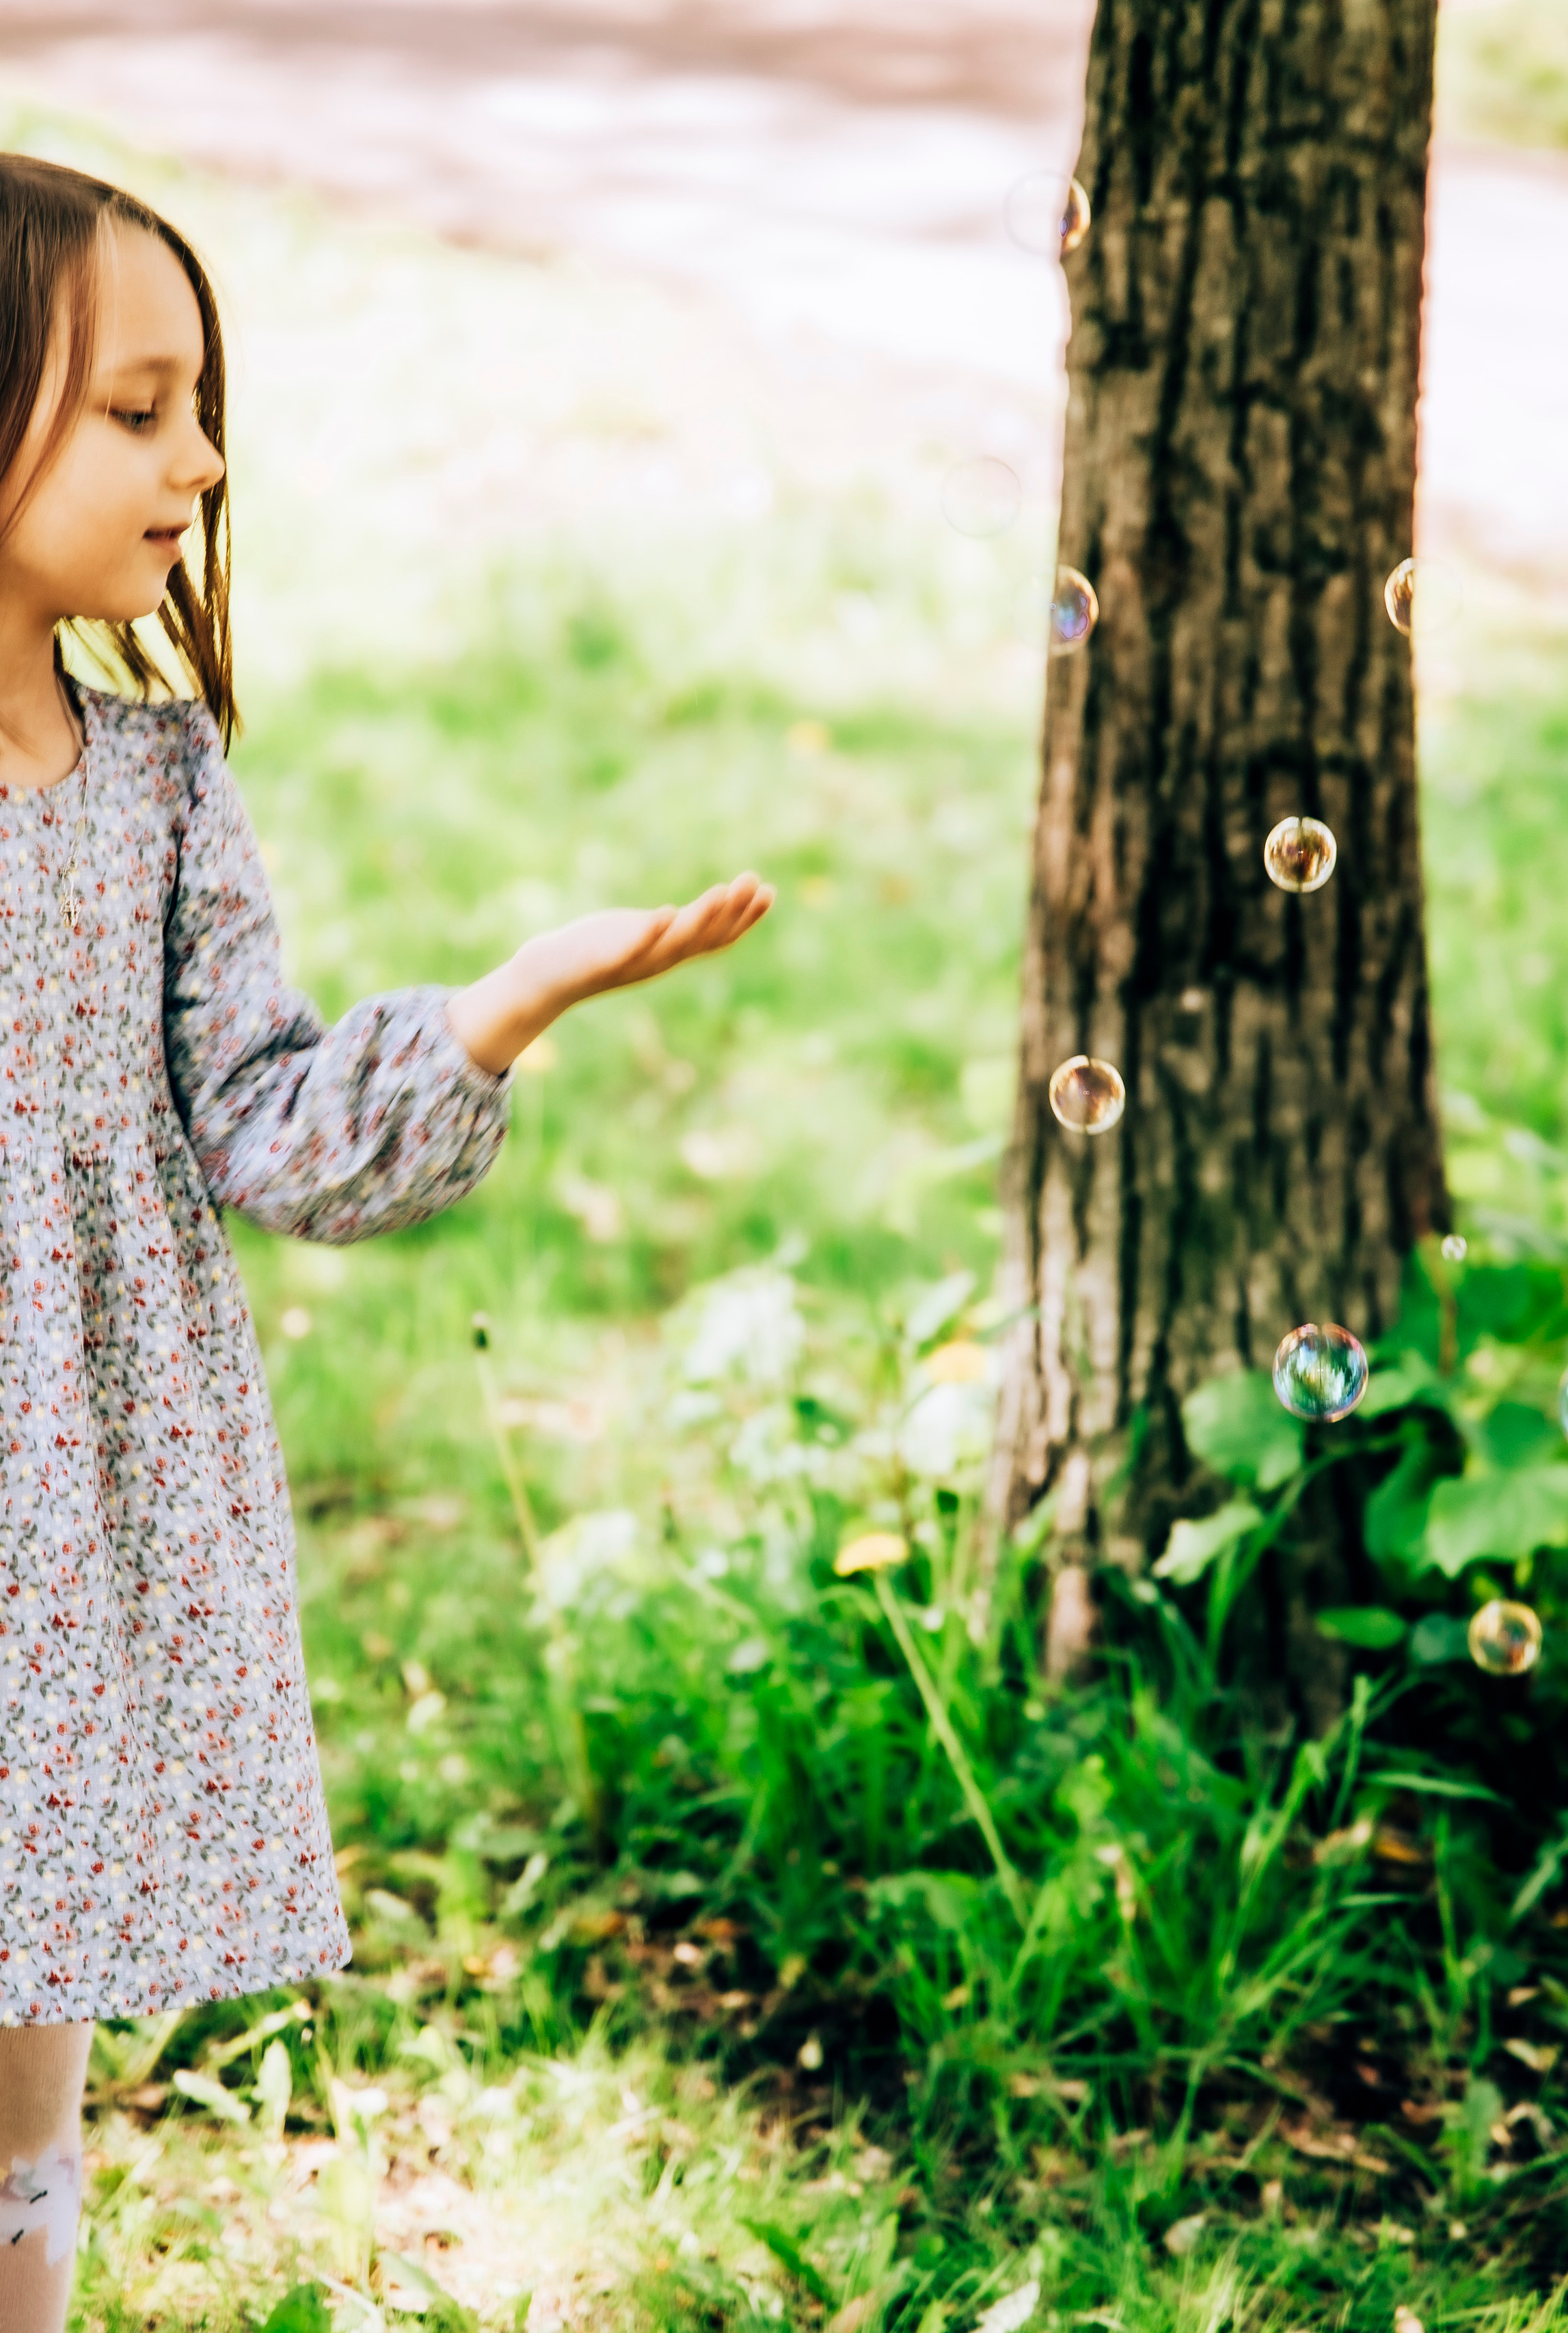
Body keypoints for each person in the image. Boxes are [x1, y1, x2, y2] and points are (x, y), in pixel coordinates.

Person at [0, 152, 772, 2332]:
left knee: (20, 2009)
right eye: (135, 408)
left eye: (200, 405)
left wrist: (499, 1006)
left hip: (70, 1519)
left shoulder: (155, 786)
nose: (203, 458)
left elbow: (265, 1122)